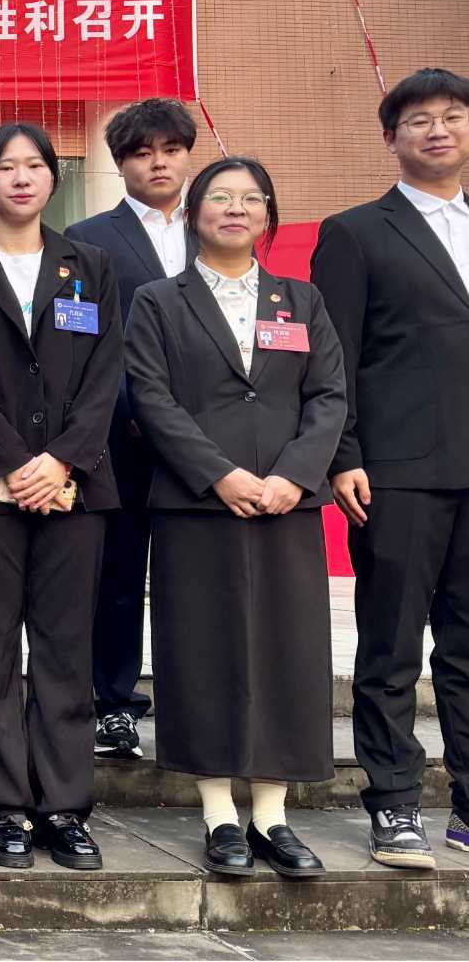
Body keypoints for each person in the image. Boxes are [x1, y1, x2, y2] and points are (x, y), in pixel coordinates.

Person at [127, 156, 346, 878]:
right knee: (202, 646)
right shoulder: (159, 301)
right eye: (219, 197)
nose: (234, 208)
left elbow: (327, 396)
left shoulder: (300, 300)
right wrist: (218, 473)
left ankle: (272, 815)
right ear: (194, 212)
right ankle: (219, 811)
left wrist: (293, 476)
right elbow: (150, 396)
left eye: (251, 199)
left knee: (288, 647)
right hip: (196, 502)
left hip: (286, 504)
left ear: (267, 215)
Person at [0, 122, 122, 871]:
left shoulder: (89, 265)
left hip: (75, 487)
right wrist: (13, 464)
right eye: (4, 167)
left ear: (51, 178)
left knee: (66, 649)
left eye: (34, 165)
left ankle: (64, 807)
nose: (20, 177)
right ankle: (5, 804)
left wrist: (61, 460)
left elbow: (105, 373)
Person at [312, 67, 469, 869]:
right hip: (397, 471)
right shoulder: (355, 233)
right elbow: (331, 355)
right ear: (390, 138)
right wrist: (343, 456)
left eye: (451, 116)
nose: (436, 130)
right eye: (418, 120)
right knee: (390, 647)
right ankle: (395, 804)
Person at [64, 97, 197, 762]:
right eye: (142, 153)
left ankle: (195, 704)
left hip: (209, 446)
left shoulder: (217, 228)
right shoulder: (87, 238)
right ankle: (113, 703)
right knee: (116, 577)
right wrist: (134, 411)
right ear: (119, 163)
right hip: (121, 439)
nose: (158, 163)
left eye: (170, 150)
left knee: (196, 578)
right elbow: (79, 339)